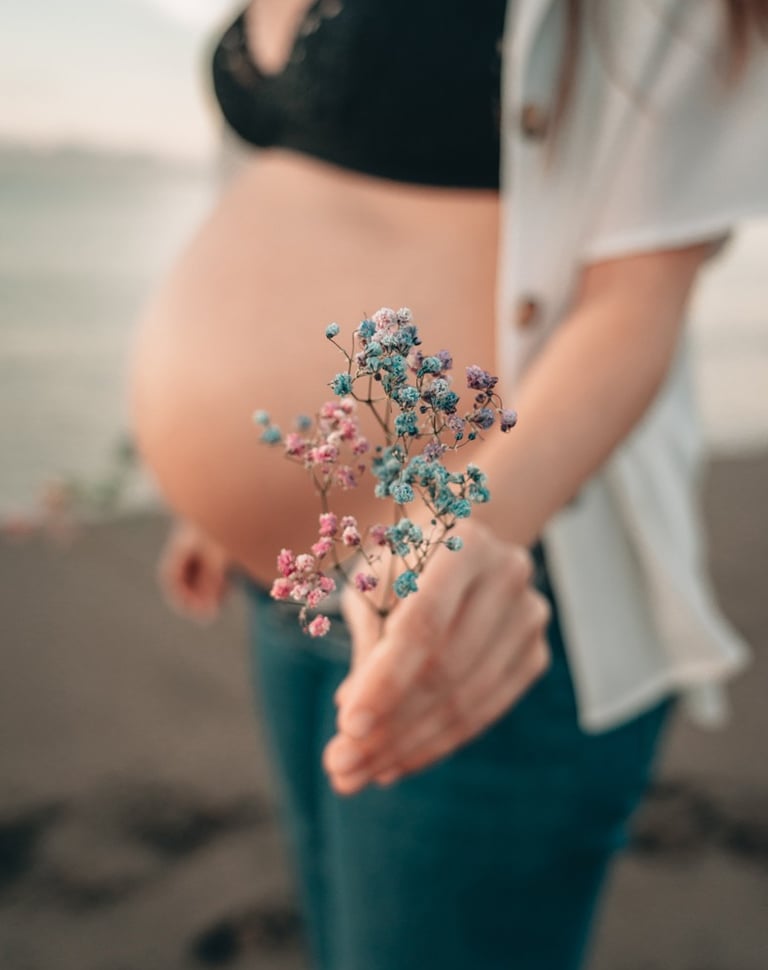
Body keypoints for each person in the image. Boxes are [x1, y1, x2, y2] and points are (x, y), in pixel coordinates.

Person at [131, 2, 768, 967]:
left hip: (486, 594)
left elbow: (636, 301)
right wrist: (214, 490)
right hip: (290, 587)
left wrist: (463, 528)